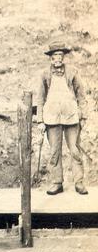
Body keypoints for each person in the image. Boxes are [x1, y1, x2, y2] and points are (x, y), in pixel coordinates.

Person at [36, 42, 88, 195]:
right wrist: (40, 120)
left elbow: (81, 95)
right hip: (51, 118)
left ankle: (79, 182)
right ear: (50, 59)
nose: (58, 59)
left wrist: (83, 115)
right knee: (54, 152)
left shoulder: (72, 72)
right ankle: (57, 183)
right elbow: (40, 98)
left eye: (60, 55)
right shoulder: (45, 74)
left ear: (63, 57)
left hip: (71, 117)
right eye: (54, 56)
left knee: (75, 150)